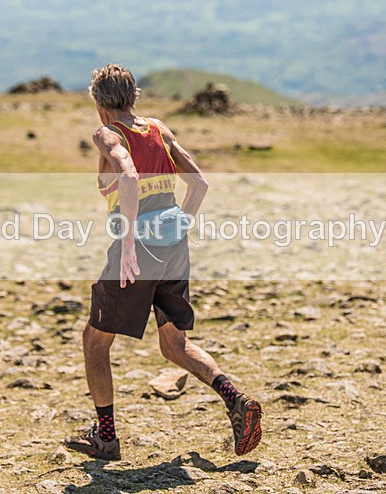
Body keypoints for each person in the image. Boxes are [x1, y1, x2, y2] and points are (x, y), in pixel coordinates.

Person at [64, 64, 262, 461]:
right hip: (174, 244)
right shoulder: (158, 128)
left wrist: (132, 244)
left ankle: (105, 438)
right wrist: (182, 223)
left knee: (95, 340)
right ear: (135, 97)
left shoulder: (107, 133)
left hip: (137, 249)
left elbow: (130, 177)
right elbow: (200, 183)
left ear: (98, 104)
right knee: (174, 344)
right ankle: (236, 401)